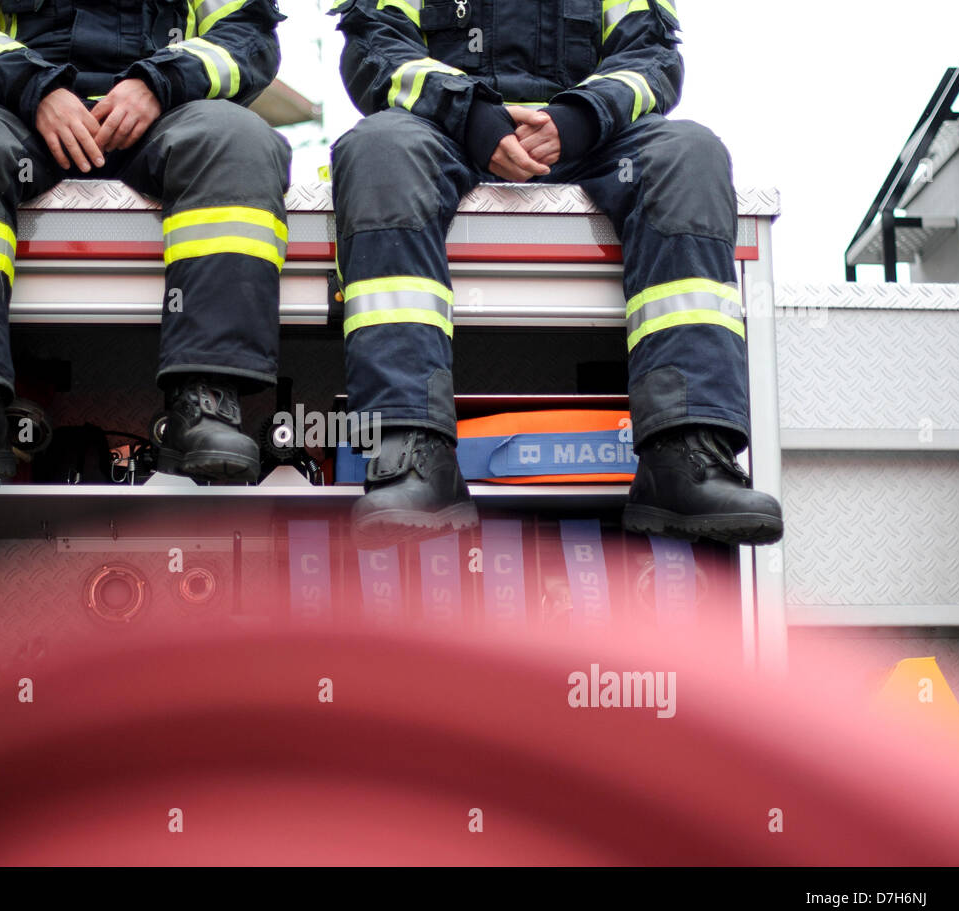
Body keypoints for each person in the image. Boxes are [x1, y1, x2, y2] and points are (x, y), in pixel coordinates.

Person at [329, 0, 783, 547]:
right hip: (441, 129)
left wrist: (582, 117)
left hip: (594, 139)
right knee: (379, 149)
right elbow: (377, 50)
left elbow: (650, 58)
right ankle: (411, 454)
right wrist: (471, 115)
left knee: (690, 153)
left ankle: (685, 457)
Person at [0, 0, 291, 483]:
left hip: (170, 116)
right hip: (18, 115)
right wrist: (34, 88)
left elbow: (247, 37)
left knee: (238, 140)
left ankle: (207, 400)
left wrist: (157, 84)